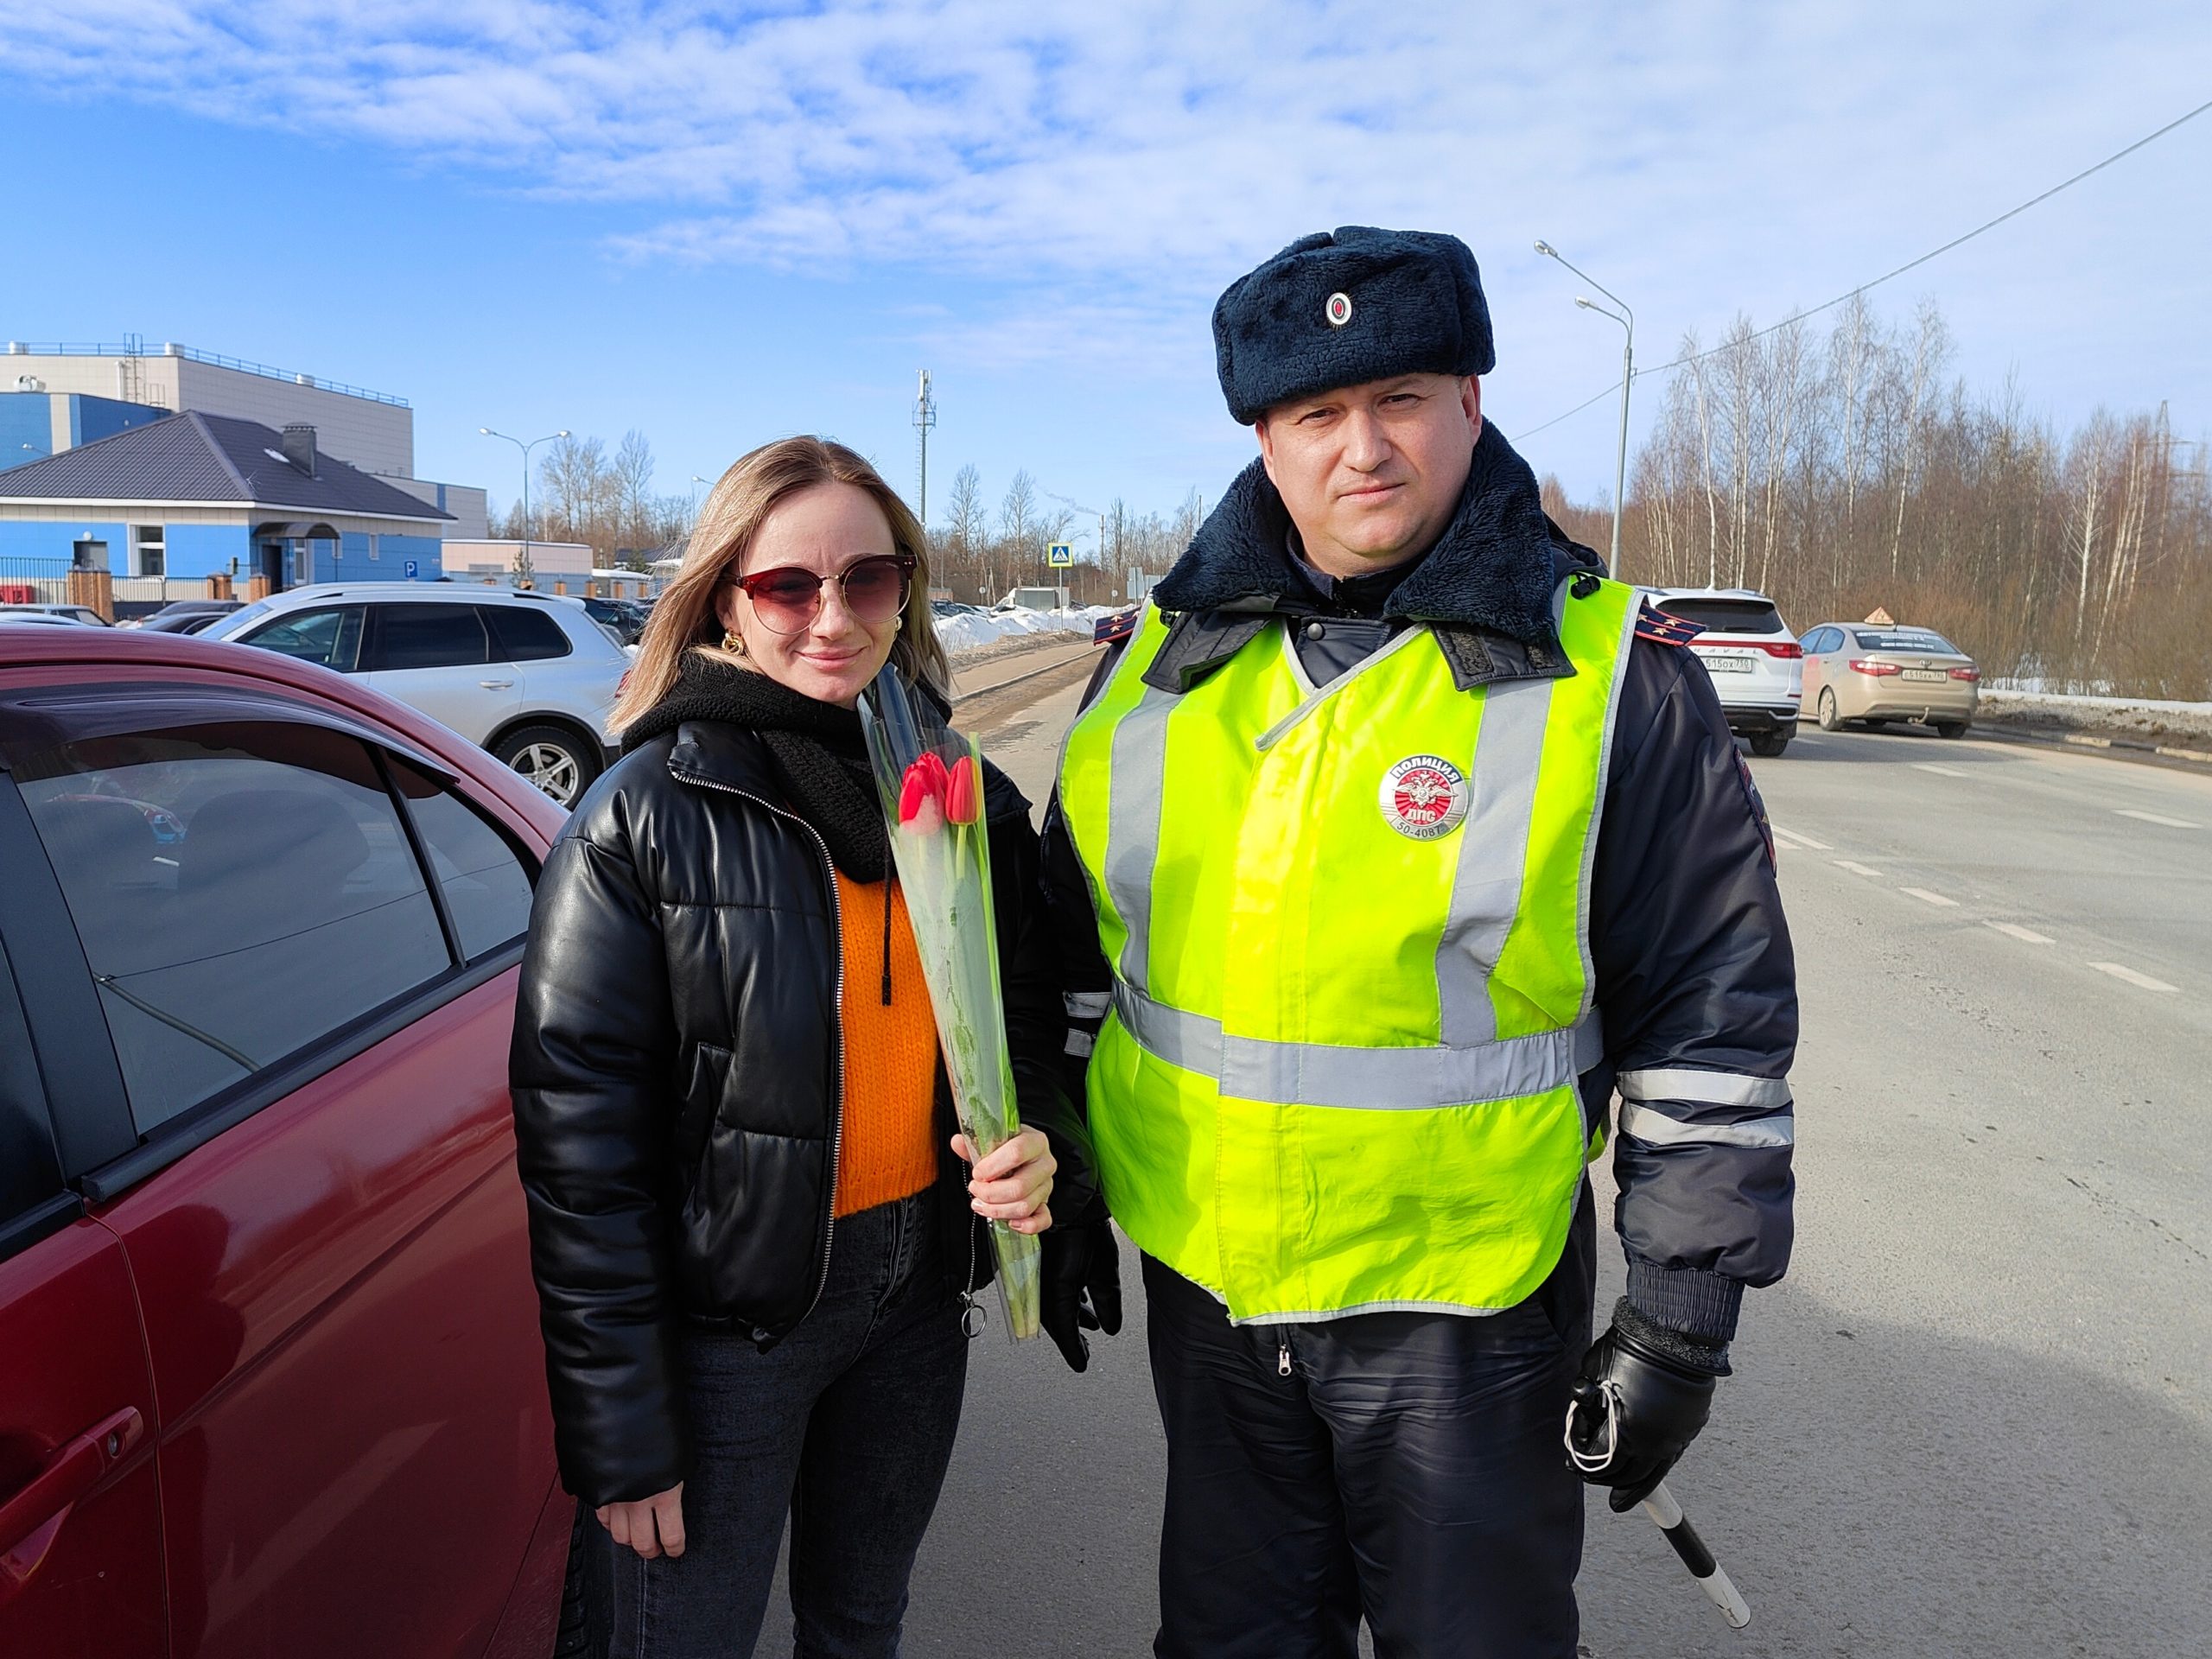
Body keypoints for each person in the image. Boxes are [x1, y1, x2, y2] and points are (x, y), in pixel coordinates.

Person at [1039, 227, 1797, 1657]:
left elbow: (1712, 1022)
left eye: (1400, 399)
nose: (1362, 448)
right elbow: (1084, 959)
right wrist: (1074, 1165)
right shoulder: (1147, 667)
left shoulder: (1609, 680)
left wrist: (1680, 1320)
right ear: (1266, 440)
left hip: (1463, 1311)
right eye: (1318, 413)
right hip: (1209, 1286)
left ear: (1471, 401)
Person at [510, 435, 1096, 1658]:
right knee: (682, 1638)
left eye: (867, 581)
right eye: (789, 585)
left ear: (906, 589)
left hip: (917, 1301)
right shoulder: (648, 810)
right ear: (729, 593)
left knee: (860, 1623)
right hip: (731, 1329)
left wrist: (1041, 1143)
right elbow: (583, 1156)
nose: (832, 618)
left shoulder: (955, 790)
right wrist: (623, 1434)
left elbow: (1026, 1018)